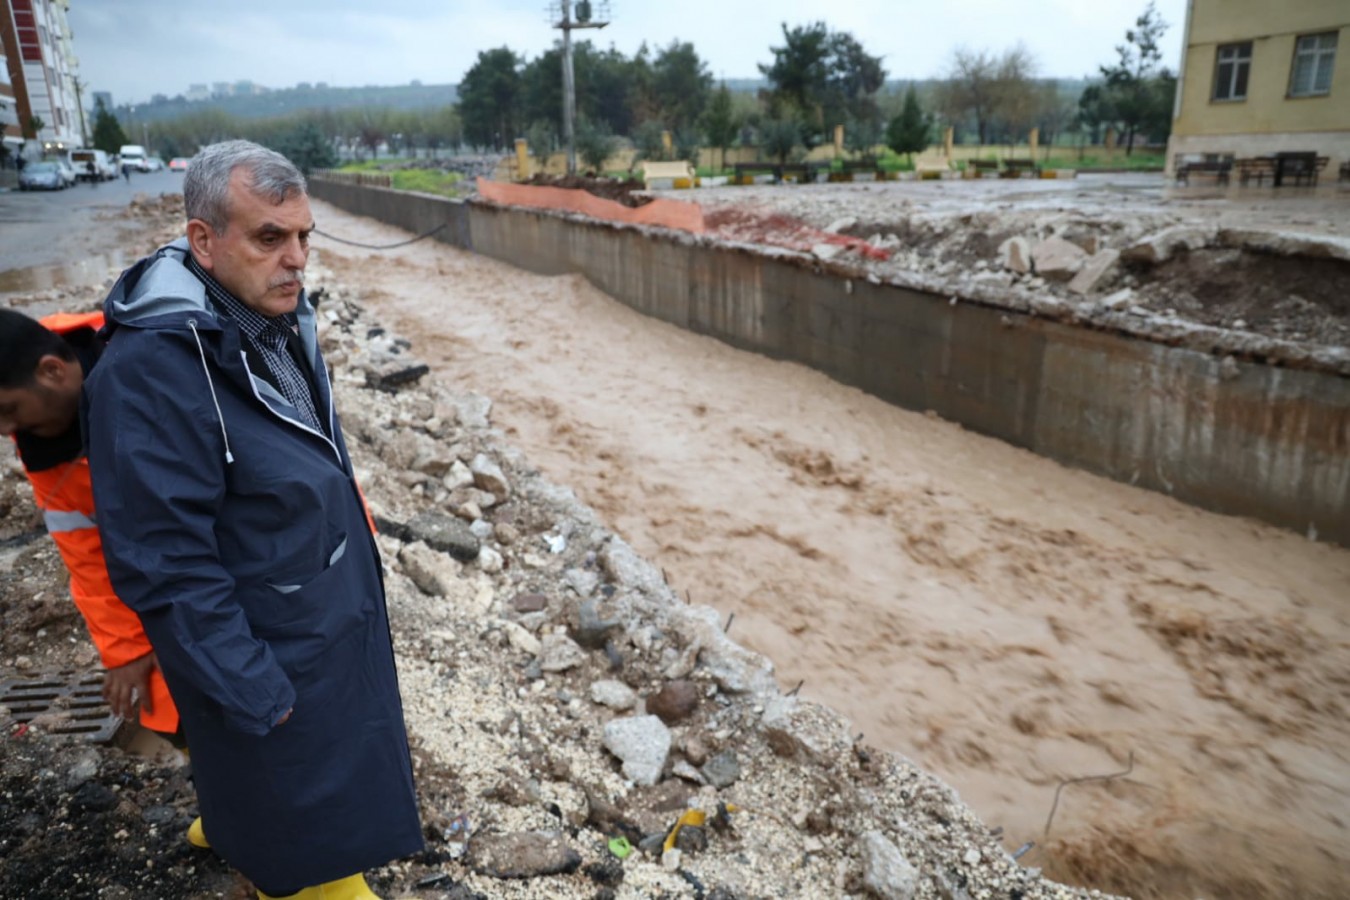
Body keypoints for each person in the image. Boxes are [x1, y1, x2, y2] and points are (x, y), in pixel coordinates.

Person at [83, 140, 422, 900]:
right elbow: (166, 564)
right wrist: (260, 694)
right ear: (203, 240)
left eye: (305, 236)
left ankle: (251, 849)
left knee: (299, 818)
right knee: (299, 840)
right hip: (269, 662)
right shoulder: (154, 373)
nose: (297, 258)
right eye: (270, 237)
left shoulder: (264, 319)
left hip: (313, 628)